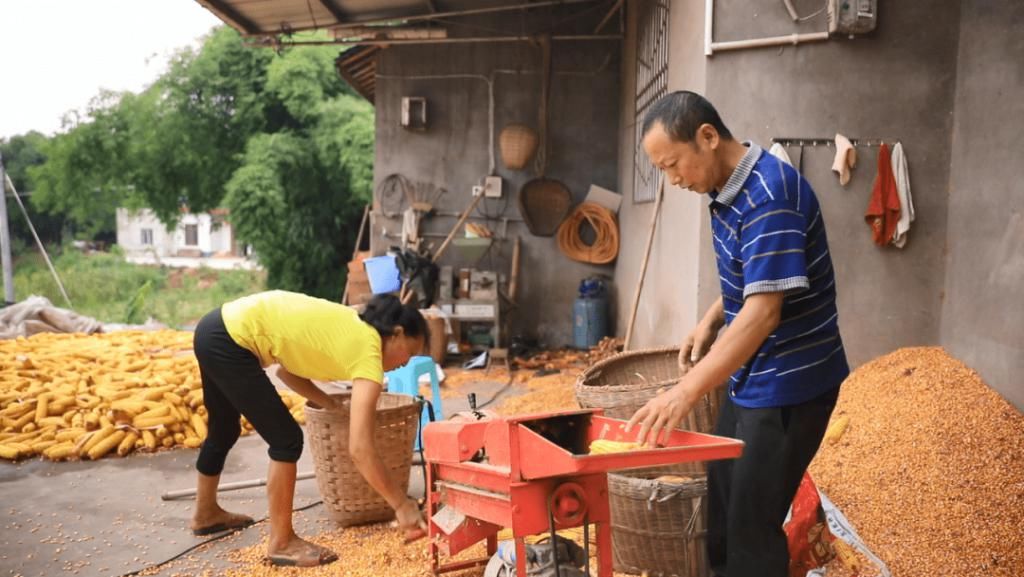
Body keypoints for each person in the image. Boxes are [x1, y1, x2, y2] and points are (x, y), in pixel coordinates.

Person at [625, 91, 848, 577]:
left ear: (707, 137)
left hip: (792, 384)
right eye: (663, 170)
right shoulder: (727, 191)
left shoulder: (770, 195)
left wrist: (684, 391)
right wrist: (712, 318)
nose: (673, 179)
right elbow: (755, 277)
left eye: (673, 165)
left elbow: (764, 312)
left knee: (752, 526)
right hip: (754, 376)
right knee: (723, 508)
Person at [189, 290, 430, 567]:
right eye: (409, 353)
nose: (405, 363)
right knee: (286, 440)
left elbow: (287, 372)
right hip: (230, 340)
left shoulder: (353, 328)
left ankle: (205, 513)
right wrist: (401, 504)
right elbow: (360, 449)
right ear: (396, 334)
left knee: (224, 430)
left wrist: (329, 403)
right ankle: (282, 542)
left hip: (214, 328)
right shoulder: (369, 349)